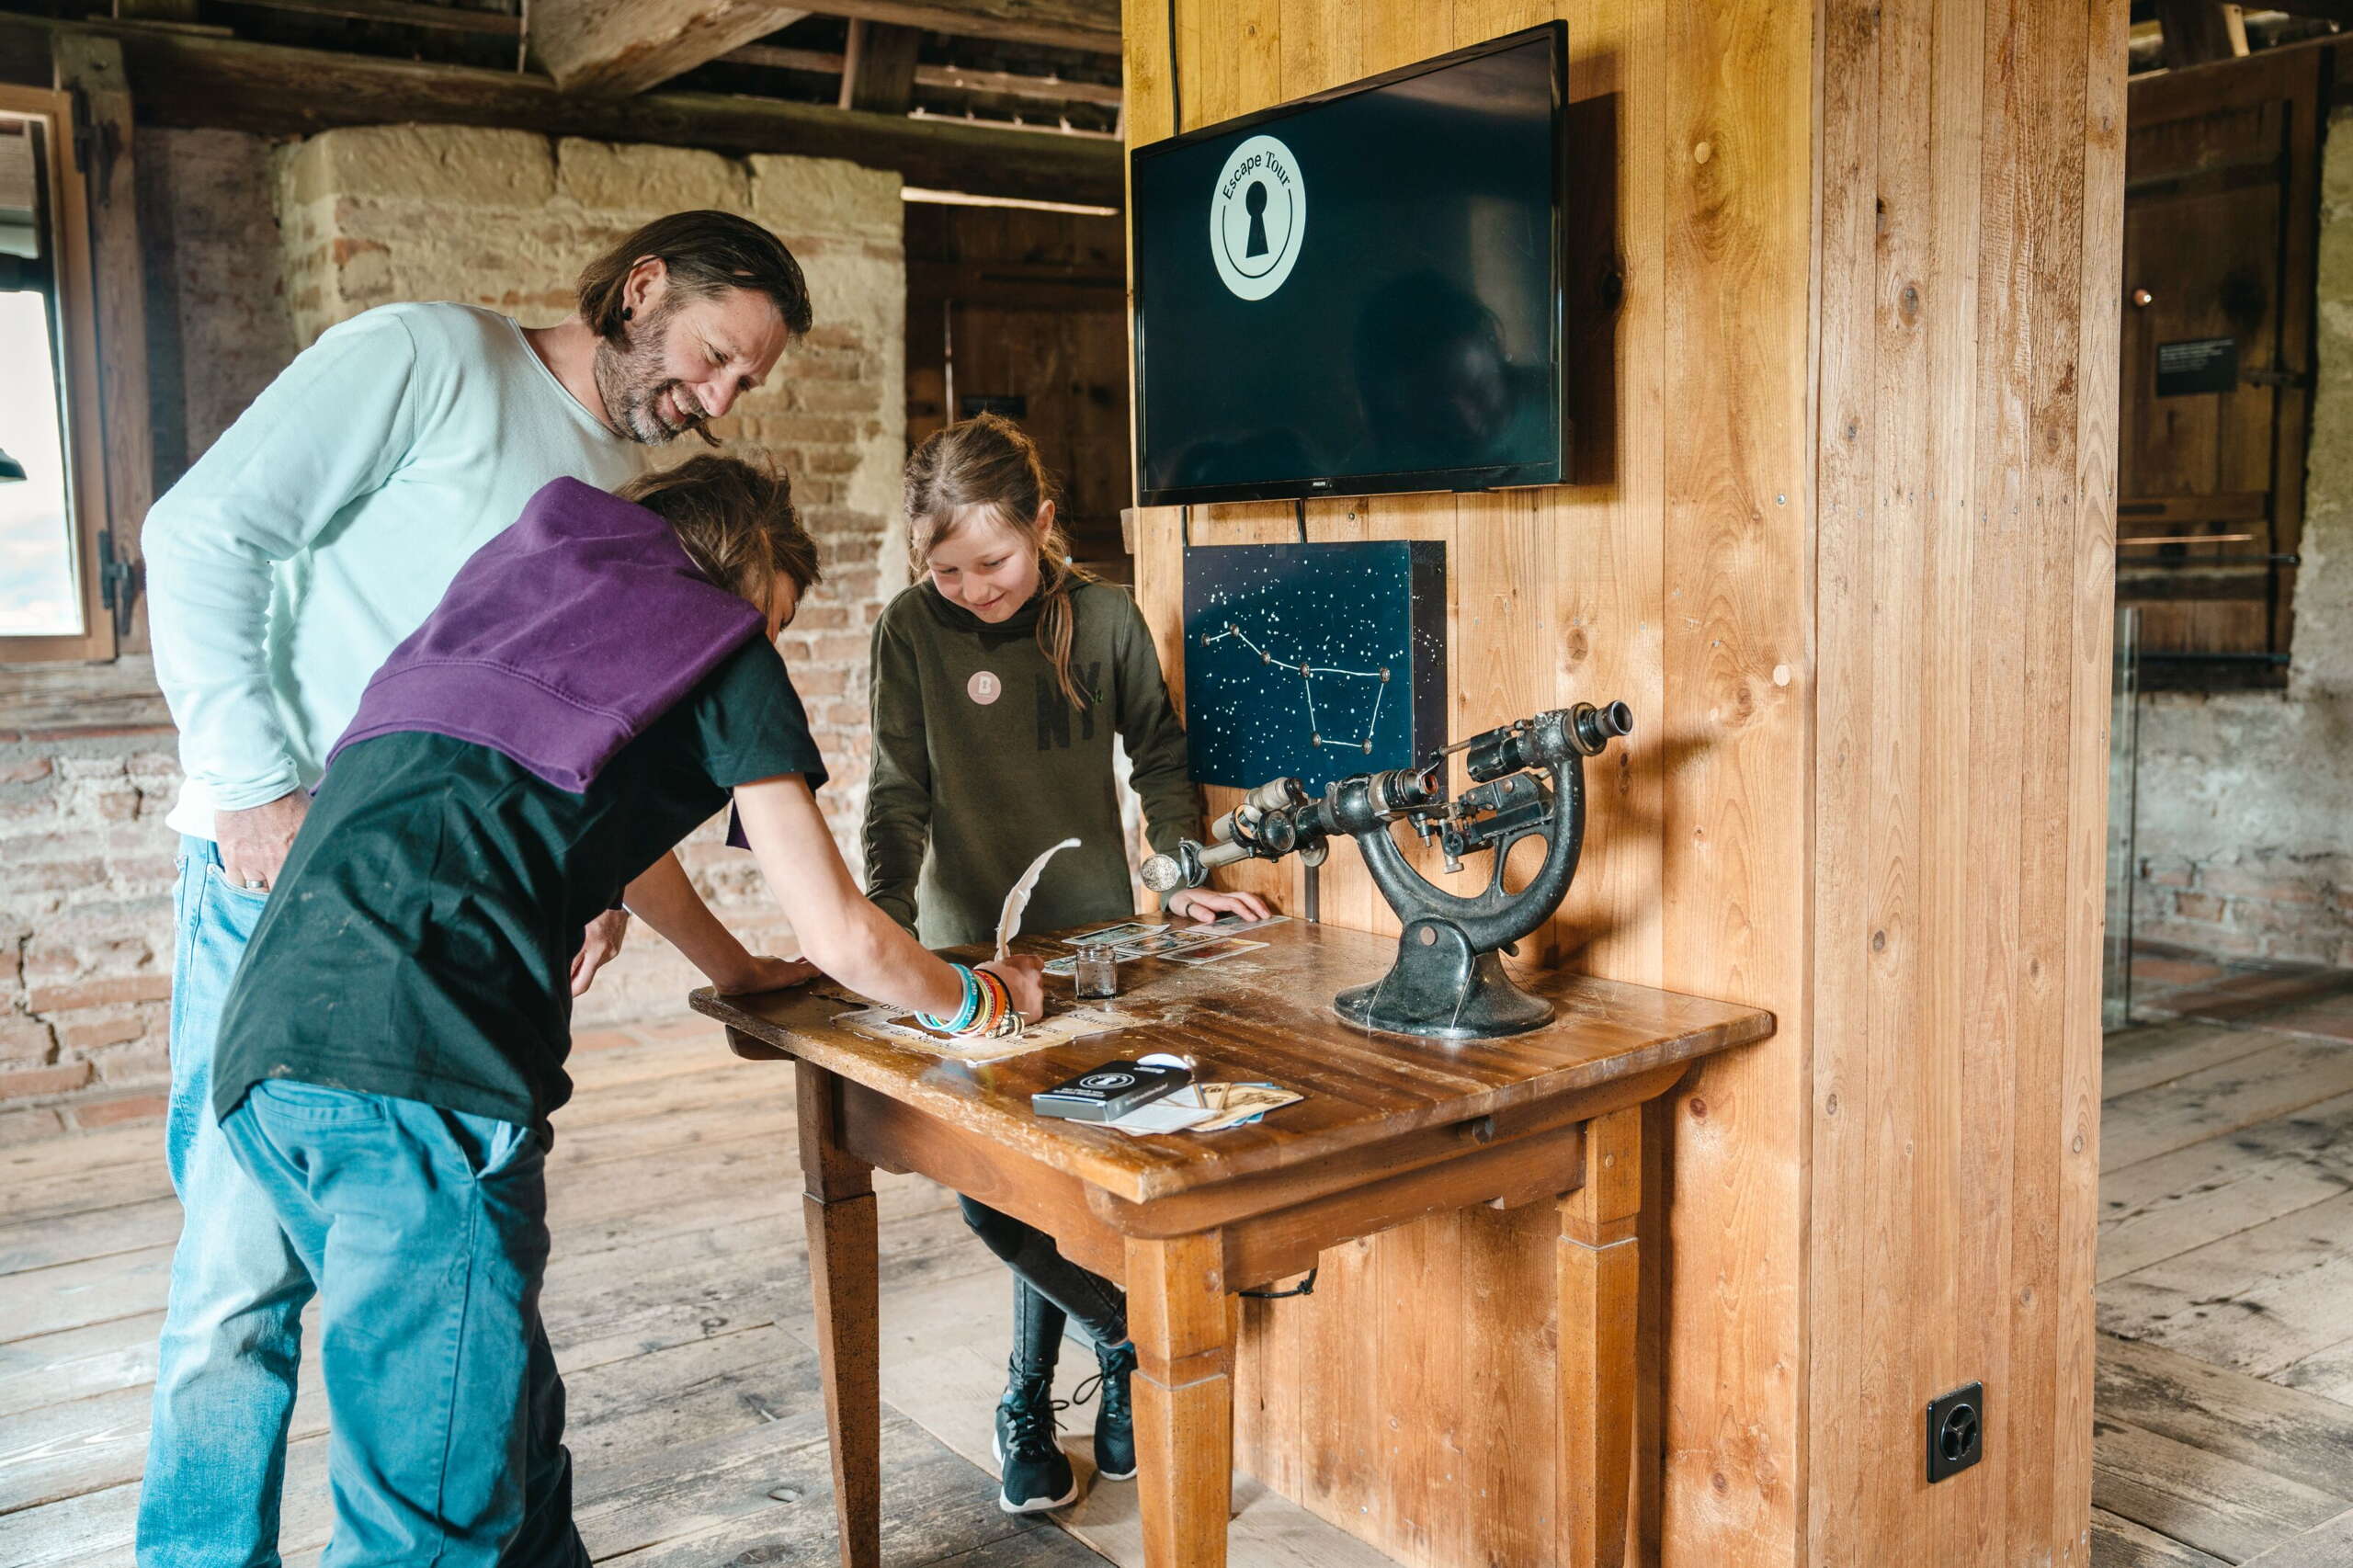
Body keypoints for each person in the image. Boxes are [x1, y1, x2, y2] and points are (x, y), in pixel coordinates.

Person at [203, 455, 1046, 1563]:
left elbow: (631, 844)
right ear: (745, 588)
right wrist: (980, 996)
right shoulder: (714, 633)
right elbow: (845, 934)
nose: (767, 650)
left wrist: (739, 970)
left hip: (268, 1049)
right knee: (429, 1520)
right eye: (776, 624)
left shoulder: (513, 606)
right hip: (416, 1063)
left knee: (505, 1422)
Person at [139, 210, 812, 1566]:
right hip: (287, 878)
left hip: (458, 941)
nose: (721, 399)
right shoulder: (434, 357)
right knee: (238, 1288)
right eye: (718, 354)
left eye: (747, 384)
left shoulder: (627, 515)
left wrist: (668, 924)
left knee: (463, 1291)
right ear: (641, 288)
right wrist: (258, 786)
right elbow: (200, 531)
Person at [863, 413, 1269, 1513]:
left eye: (992, 561)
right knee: (987, 1189)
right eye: (945, 568)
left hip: (1097, 941)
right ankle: (1119, 1336)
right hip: (958, 952)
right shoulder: (908, 629)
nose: (973, 586)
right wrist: (882, 935)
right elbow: (896, 791)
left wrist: (1180, 868)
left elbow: (1159, 746)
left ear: (1043, 524)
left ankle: (1031, 1404)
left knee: (1068, 1182)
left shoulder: (1102, 617)